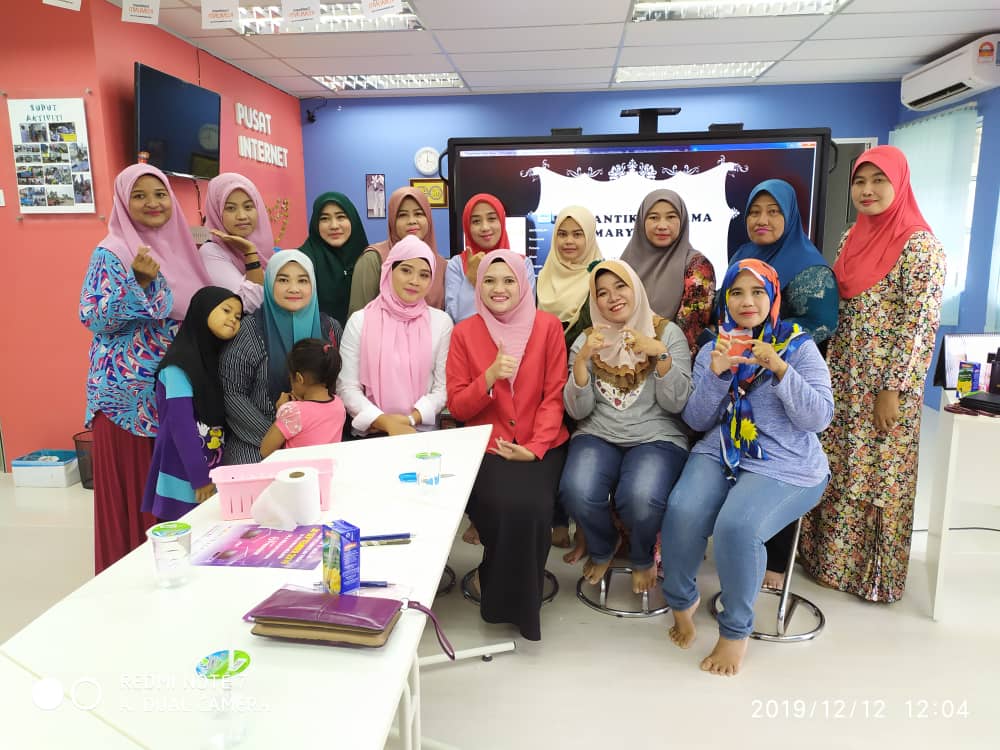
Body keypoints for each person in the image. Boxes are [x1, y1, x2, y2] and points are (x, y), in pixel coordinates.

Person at [661, 258, 833, 676]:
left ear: (772, 297)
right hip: (722, 448)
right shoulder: (714, 347)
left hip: (787, 462)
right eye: (736, 292)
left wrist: (780, 369)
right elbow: (697, 420)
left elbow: (819, 418)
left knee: (736, 527)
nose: (747, 301)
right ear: (726, 301)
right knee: (682, 508)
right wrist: (718, 375)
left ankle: (735, 631)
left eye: (757, 291)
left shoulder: (798, 345)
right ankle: (683, 601)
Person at [799, 145, 946, 603]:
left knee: (878, 474)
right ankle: (827, 561)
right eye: (860, 182)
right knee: (839, 465)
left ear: (899, 183)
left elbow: (919, 327)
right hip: (842, 374)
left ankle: (870, 578)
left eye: (879, 181)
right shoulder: (851, 236)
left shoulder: (920, 246)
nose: (867, 190)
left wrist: (893, 390)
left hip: (883, 385)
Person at [80, 163, 213, 573]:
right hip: (128, 403)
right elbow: (93, 316)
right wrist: (137, 282)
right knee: (140, 496)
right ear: (123, 202)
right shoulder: (112, 252)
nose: (152, 203)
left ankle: (179, 574)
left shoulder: (183, 247)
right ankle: (133, 580)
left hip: (175, 394)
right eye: (139, 196)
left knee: (175, 497)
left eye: (160, 194)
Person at [446, 249, 569, 641]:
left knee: (534, 507)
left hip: (540, 442)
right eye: (489, 281)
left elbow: (554, 396)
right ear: (478, 286)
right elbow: (458, 405)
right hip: (487, 443)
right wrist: (489, 377)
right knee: (500, 505)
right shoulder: (464, 333)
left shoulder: (548, 327)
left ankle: (520, 603)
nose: (498, 289)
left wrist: (535, 447)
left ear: (523, 284)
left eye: (508, 280)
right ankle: (497, 590)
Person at [729, 178, 839, 590]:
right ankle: (743, 542)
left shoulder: (809, 267)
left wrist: (769, 346)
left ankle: (776, 560)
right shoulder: (744, 255)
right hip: (743, 374)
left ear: (790, 215)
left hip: (785, 379)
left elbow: (820, 324)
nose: (762, 220)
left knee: (783, 464)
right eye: (755, 212)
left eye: (773, 211)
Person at [559, 260, 692, 593]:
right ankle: (603, 545)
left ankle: (642, 555)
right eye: (602, 293)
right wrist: (581, 362)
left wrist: (660, 355)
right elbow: (578, 410)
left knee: (641, 496)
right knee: (576, 489)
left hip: (657, 435)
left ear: (636, 289)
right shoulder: (587, 341)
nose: (612, 297)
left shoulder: (667, 334)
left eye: (620, 286)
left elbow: (676, 404)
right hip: (598, 433)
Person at [220, 250, 343, 464]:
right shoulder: (250, 330)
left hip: (319, 438)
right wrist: (279, 434)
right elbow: (232, 393)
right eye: (283, 280)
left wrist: (308, 434)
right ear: (269, 284)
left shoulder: (330, 328)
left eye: (302, 280)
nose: (294, 288)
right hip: (258, 439)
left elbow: (339, 385)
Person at [141, 287, 243, 521]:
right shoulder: (178, 367)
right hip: (185, 472)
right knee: (185, 532)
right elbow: (181, 424)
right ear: (202, 310)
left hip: (213, 470)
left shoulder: (215, 361)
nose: (233, 319)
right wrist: (199, 477)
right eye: (226, 310)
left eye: (238, 317)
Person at [536, 205, 604, 549]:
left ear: (590, 237)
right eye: (562, 234)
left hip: (588, 376)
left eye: (578, 234)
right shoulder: (542, 276)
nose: (569, 241)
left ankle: (586, 526)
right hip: (546, 376)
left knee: (583, 450)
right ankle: (558, 519)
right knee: (553, 447)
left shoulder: (600, 276)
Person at [337, 236, 453, 437]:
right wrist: (385, 422)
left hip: (420, 432)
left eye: (424, 275)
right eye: (406, 270)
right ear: (389, 270)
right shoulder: (360, 321)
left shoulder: (441, 322)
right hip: (371, 433)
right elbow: (347, 386)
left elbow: (442, 388)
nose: (414, 281)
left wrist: (410, 420)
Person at [621, 189, 715, 358]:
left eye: (671, 217)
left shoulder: (697, 267)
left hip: (671, 361)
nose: (662, 225)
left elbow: (689, 334)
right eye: (653, 217)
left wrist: (655, 356)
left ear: (682, 221)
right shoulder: (624, 264)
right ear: (641, 221)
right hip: (623, 359)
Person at [348, 186, 447, 316]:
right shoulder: (373, 259)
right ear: (392, 220)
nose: (412, 221)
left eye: (418, 214)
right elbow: (358, 317)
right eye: (402, 215)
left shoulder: (441, 264)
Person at [445, 193, 536, 323]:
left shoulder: (523, 264)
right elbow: (456, 319)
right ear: (467, 226)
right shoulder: (457, 264)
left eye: (492, 219)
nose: (485, 227)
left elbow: (525, 314)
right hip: (470, 336)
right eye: (476, 221)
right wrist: (471, 279)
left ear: (502, 221)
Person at [199, 173, 275, 314]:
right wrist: (250, 253)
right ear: (217, 211)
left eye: (248, 206)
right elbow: (248, 305)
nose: (242, 216)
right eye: (230, 208)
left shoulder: (266, 250)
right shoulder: (211, 251)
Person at [261, 338, 346, 457]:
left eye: (290, 378)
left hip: (297, 468)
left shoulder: (293, 411)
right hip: (327, 467)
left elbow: (265, 450)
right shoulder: (339, 405)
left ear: (299, 378)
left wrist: (281, 412)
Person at [298, 192, 369, 326]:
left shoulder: (369, 259)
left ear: (353, 219)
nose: (334, 225)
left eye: (341, 217)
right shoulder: (302, 261)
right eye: (324, 219)